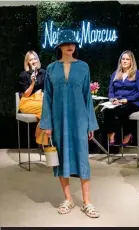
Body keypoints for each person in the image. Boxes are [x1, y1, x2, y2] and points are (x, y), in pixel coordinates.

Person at [40, 30, 100, 218]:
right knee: (61, 158)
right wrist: (47, 123)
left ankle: (87, 202)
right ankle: (68, 199)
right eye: (65, 42)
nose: (70, 45)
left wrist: (90, 123)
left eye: (72, 42)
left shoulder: (84, 67)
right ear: (59, 46)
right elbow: (47, 99)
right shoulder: (51, 69)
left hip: (80, 118)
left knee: (82, 158)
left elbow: (87, 97)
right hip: (58, 120)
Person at [104, 50, 139, 146]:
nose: (125, 61)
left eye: (127, 59)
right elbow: (111, 90)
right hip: (118, 101)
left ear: (131, 61)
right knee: (107, 110)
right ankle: (111, 134)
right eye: (123, 59)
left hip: (133, 102)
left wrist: (127, 100)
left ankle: (126, 134)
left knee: (121, 110)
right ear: (120, 60)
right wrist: (112, 99)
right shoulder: (115, 74)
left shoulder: (137, 74)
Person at [19, 50, 45, 119]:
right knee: (46, 108)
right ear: (27, 62)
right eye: (30, 60)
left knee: (45, 112)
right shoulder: (24, 75)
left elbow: (48, 88)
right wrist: (33, 82)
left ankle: (43, 129)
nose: (33, 61)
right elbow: (26, 95)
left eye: (34, 59)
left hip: (40, 100)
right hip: (27, 102)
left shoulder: (43, 73)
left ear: (37, 60)